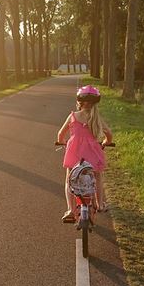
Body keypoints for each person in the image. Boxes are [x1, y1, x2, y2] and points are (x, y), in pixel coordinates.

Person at [56, 84, 113, 222]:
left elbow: (60, 135)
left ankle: (71, 209)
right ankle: (99, 205)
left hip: (74, 153)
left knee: (69, 178)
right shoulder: (96, 118)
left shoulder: (73, 116)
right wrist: (106, 142)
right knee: (98, 176)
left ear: (79, 102)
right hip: (93, 153)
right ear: (95, 104)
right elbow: (109, 134)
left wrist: (62, 142)